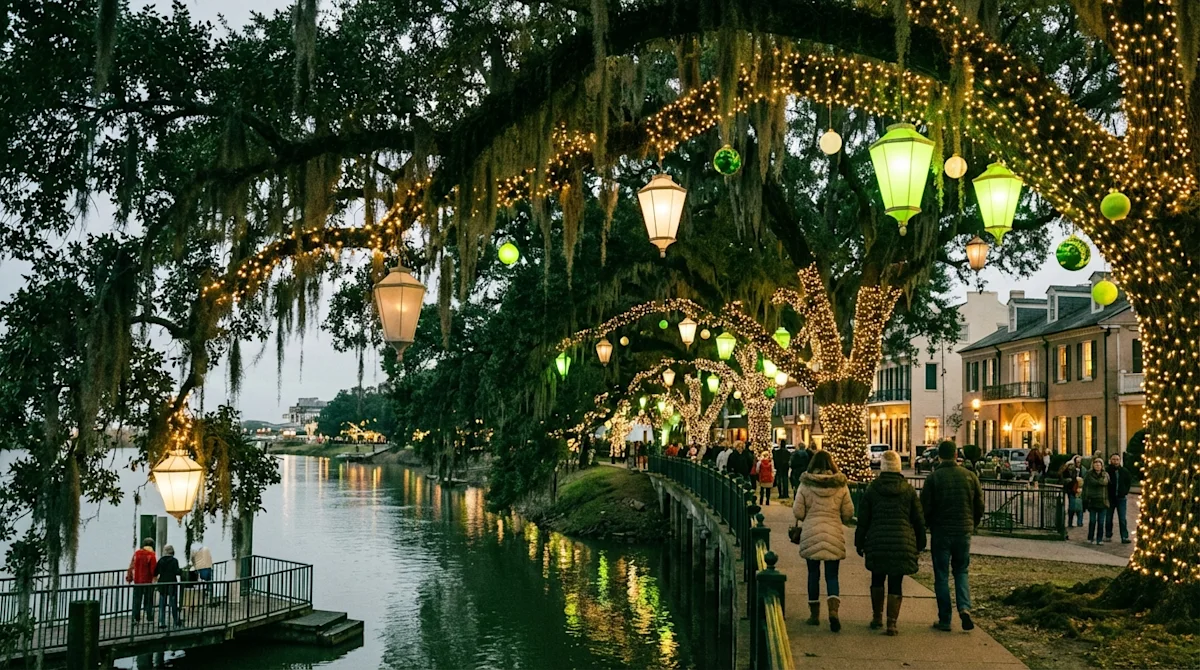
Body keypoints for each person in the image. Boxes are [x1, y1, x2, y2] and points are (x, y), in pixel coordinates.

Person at [855, 450, 925, 636]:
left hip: (877, 541)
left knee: (877, 579)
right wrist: (920, 542)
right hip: (901, 541)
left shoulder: (873, 489)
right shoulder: (908, 490)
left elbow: (864, 519)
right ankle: (892, 622)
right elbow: (918, 519)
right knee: (896, 581)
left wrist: (859, 542)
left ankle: (877, 616)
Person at [920, 440, 984, 633]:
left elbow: (925, 506)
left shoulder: (934, 478)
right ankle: (964, 608)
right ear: (956, 455)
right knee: (961, 571)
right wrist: (973, 523)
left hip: (941, 531)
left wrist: (928, 524)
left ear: (939, 456)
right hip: (963, 531)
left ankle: (945, 618)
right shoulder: (970, 476)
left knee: (941, 575)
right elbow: (979, 504)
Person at [792, 450, 855, 632]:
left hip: (811, 532)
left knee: (813, 574)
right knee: (832, 575)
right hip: (833, 532)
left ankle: (814, 615)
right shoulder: (840, 485)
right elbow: (848, 513)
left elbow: (798, 512)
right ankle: (833, 612)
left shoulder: (805, 485)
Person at [126, 538, 157, 625]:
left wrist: (129, 577)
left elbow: (131, 566)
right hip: (148, 581)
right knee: (148, 600)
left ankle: (135, 618)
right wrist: (155, 578)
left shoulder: (137, 554)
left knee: (137, 600)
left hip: (137, 581)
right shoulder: (151, 555)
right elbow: (153, 570)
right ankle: (149, 618)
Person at [1082, 456, 1110, 545]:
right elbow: (1085, 487)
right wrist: (1085, 499)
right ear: (1093, 466)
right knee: (1092, 521)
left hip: (1103, 501)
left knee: (1101, 522)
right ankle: (1090, 537)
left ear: (1102, 466)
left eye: (1099, 465)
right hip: (1092, 501)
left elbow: (1107, 484)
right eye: (1096, 464)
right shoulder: (1088, 475)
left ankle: (1099, 539)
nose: (1097, 466)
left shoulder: (1105, 475)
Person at [1105, 453, 1133, 543]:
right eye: (1113, 459)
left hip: (1121, 498)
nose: (1115, 461)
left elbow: (1128, 482)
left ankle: (1124, 536)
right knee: (1109, 517)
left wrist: (1125, 491)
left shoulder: (1124, 471)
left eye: (1117, 459)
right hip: (1110, 498)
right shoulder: (1107, 471)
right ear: (1110, 460)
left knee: (1122, 518)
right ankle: (1108, 535)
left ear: (1119, 460)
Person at [155, 544, 183, 628]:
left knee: (162, 604)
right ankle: (176, 620)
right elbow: (177, 571)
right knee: (173, 603)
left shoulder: (161, 560)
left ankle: (161, 621)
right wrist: (182, 571)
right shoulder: (174, 561)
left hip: (162, 583)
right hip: (172, 583)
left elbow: (156, 572)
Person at [1060, 456, 1084, 530]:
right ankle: (1070, 522)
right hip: (1070, 491)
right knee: (1072, 508)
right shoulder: (1066, 471)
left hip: (1078, 490)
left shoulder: (1080, 470)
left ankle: (1079, 522)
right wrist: (1067, 481)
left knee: (1080, 507)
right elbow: (1061, 479)